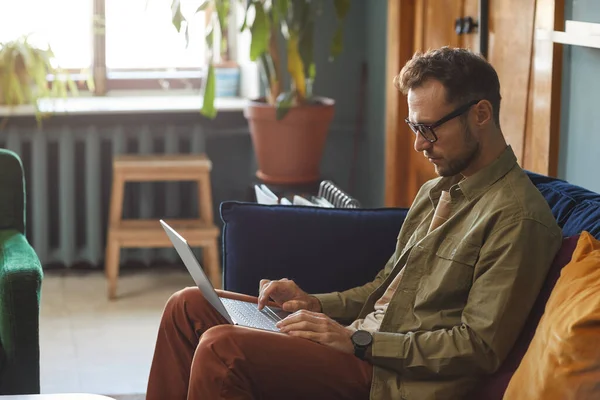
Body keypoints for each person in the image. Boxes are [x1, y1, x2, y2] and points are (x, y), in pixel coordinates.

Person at [145, 47, 562, 400]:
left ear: (482, 114)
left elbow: (478, 348)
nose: (419, 144)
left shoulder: (518, 218)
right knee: (187, 305)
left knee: (222, 347)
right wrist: (315, 304)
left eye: (430, 129)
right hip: (359, 345)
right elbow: (382, 289)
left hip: (393, 378)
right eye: (414, 128)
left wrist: (357, 341)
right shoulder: (436, 192)